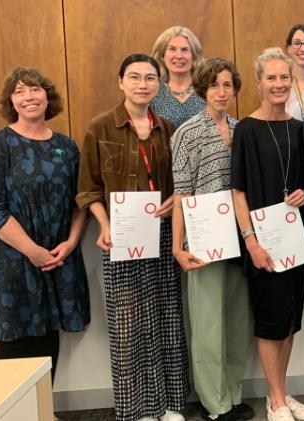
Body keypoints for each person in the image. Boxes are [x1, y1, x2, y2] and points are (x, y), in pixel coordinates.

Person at [76, 54, 188, 421]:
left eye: (150, 78)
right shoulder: (101, 127)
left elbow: (180, 184)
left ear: (159, 84)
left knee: (167, 318)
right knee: (128, 324)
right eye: (135, 77)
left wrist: (175, 201)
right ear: (121, 81)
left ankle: (170, 403)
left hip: (163, 232)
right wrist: (104, 224)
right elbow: (88, 189)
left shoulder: (170, 129)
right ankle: (136, 407)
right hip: (121, 236)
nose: (143, 84)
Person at [0, 67, 89, 384]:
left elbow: (81, 201)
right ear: (11, 101)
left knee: (49, 337)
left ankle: (40, 411)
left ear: (46, 96)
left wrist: (71, 243)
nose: (29, 97)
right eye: (20, 91)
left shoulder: (67, 147)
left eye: (35, 89)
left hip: (57, 257)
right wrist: (32, 251)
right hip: (13, 261)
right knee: (17, 341)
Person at [231, 48, 304, 421]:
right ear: (259, 82)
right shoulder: (246, 128)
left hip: (296, 240)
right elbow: (238, 191)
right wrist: (251, 242)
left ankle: (278, 393)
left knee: (290, 320)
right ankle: (277, 400)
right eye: (272, 78)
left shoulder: (300, 128)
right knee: (270, 321)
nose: (279, 84)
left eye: (285, 78)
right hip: (263, 244)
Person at [171, 58, 253, 421]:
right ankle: (214, 404)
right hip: (203, 238)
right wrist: (177, 246)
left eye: (228, 85)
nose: (222, 92)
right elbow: (181, 194)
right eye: (215, 85)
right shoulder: (187, 132)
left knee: (236, 320)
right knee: (207, 324)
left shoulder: (241, 129)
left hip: (238, 237)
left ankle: (233, 394)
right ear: (203, 89)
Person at [151, 26, 206, 128]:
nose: (179, 56)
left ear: (194, 55)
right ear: (162, 56)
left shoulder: (207, 91)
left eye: (185, 50)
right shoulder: (153, 93)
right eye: (172, 49)